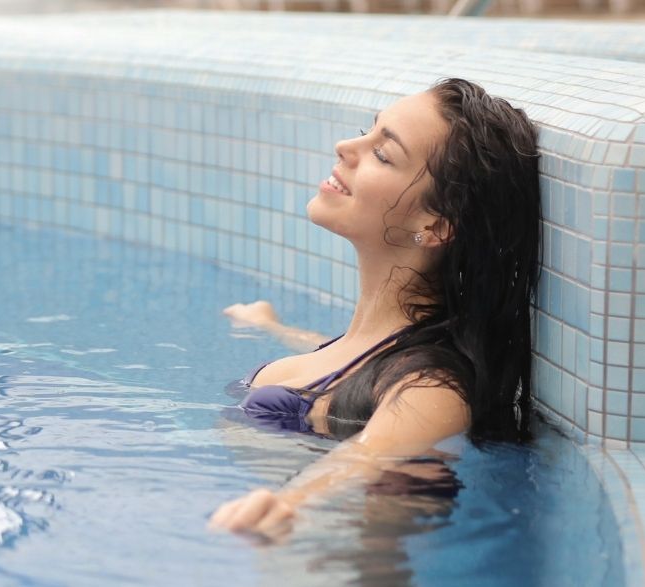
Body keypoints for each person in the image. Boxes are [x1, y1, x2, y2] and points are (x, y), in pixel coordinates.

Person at [207, 78, 543, 537]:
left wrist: (292, 503)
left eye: (383, 154)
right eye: (368, 131)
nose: (346, 146)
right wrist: (273, 326)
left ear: (435, 225)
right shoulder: (374, 347)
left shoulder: (431, 388)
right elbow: (346, 357)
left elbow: (370, 453)